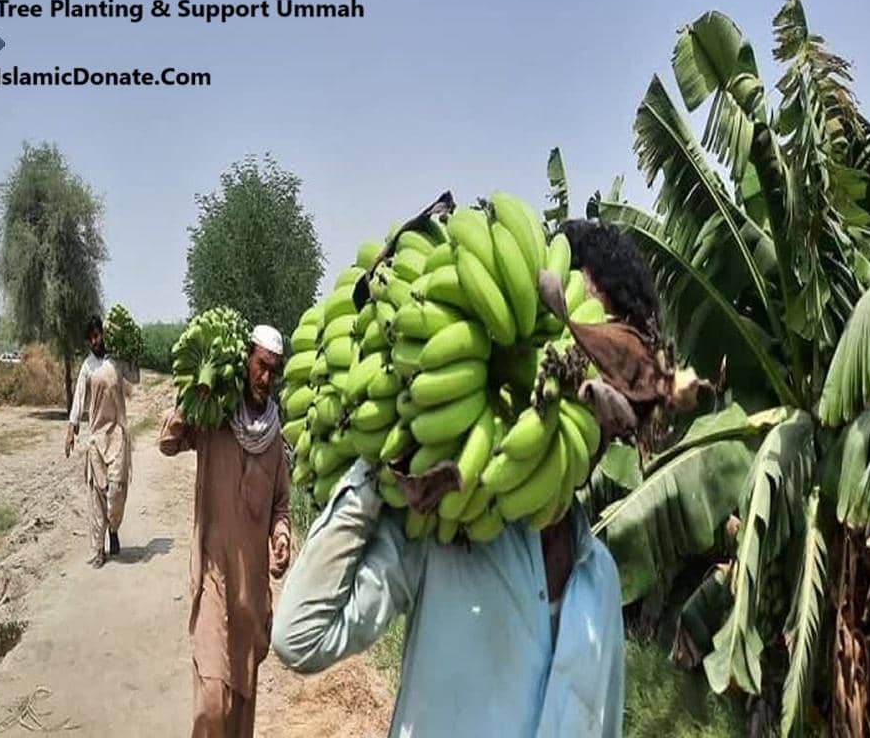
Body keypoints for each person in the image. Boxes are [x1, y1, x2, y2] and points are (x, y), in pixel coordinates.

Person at [272, 220, 662, 737]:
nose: (591, 381)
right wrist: (388, 456)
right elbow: (302, 637)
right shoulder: (448, 528)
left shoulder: (602, 581)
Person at [158, 324, 292, 738]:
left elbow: (280, 507)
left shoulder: (273, 441)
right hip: (214, 583)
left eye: (273, 371)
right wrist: (197, 392)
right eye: (259, 366)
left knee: (239, 716)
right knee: (212, 702)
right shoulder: (216, 421)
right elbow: (168, 441)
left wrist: (282, 537)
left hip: (250, 594)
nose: (265, 378)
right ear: (244, 361)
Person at [65, 313, 140, 568]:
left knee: (117, 488)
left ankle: (114, 529)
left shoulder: (116, 361)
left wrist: (133, 351)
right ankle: (99, 549)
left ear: (104, 334)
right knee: (98, 492)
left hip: (118, 432)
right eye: (91, 338)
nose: (95, 341)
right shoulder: (87, 367)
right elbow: (79, 397)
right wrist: (72, 428)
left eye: (97, 335)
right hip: (96, 436)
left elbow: (136, 377)